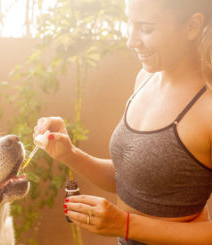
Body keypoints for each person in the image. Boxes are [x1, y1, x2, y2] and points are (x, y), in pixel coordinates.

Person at [33, 0, 212, 244]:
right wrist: (70, 155)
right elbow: (132, 179)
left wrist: (125, 224)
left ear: (192, 26)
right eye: (131, 24)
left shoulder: (207, 108)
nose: (131, 41)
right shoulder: (145, 78)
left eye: (146, 29)